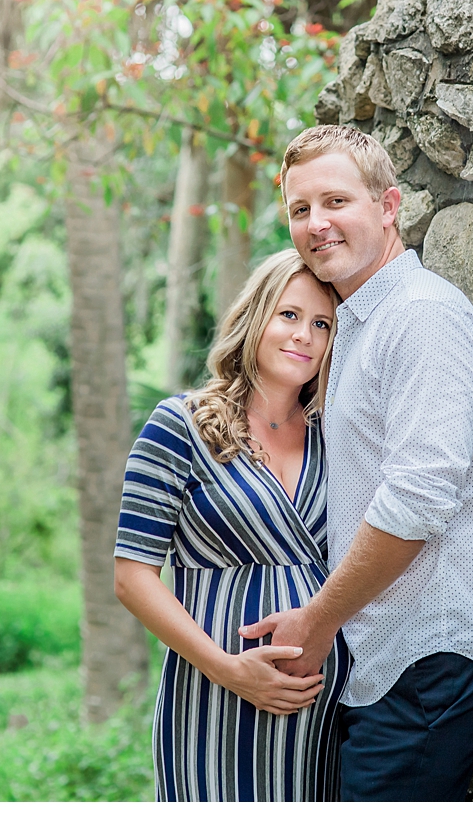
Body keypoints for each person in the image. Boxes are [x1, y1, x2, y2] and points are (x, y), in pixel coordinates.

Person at [239, 124, 473, 801]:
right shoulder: (359, 320)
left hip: (427, 659)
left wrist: (317, 619)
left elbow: (416, 501)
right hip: (386, 662)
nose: (316, 224)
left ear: (388, 207)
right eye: (299, 210)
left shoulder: (419, 316)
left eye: (335, 202)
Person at [113, 248, 345, 801]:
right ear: (255, 316)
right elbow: (132, 576)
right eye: (288, 315)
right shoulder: (180, 425)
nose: (304, 336)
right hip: (213, 700)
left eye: (322, 324)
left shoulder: (335, 436)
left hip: (321, 711)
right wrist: (229, 670)